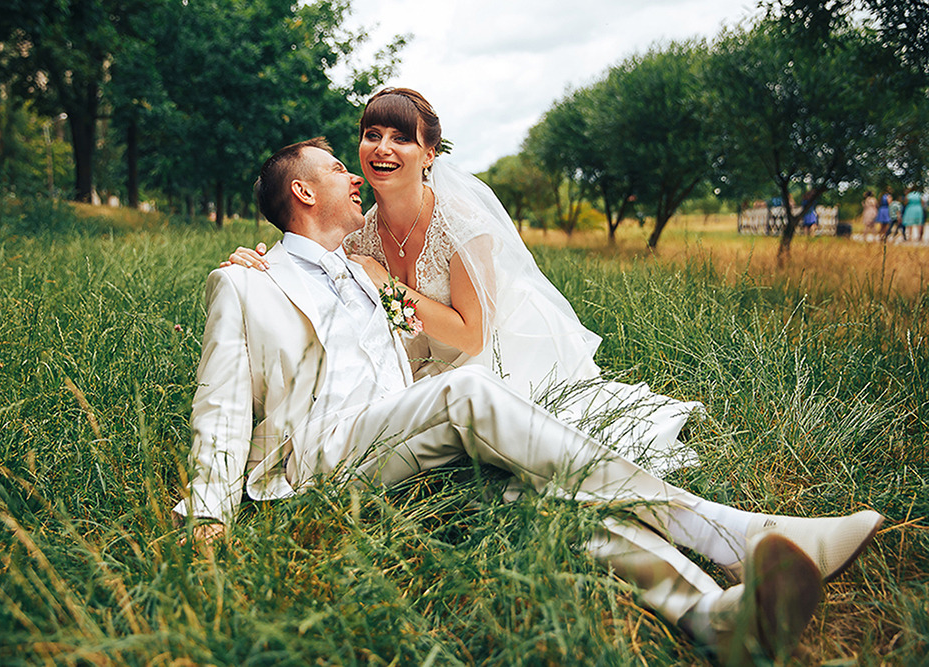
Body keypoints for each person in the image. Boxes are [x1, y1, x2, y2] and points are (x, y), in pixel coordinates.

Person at [177, 137, 884, 662]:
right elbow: (219, 405)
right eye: (337, 167)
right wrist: (207, 523)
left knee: (541, 493)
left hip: (399, 450)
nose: (353, 175)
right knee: (468, 391)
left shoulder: (366, 274)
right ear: (301, 193)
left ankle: (711, 615)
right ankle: (729, 531)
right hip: (320, 463)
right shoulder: (246, 282)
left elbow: (427, 346)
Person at [226, 88, 701, 477]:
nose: (382, 148)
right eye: (372, 135)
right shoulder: (360, 233)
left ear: (428, 154)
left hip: (497, 351)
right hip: (424, 367)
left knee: (527, 443)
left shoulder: (460, 223)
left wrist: (389, 286)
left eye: (401, 138)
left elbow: (473, 334)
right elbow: (311, 249)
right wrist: (255, 258)